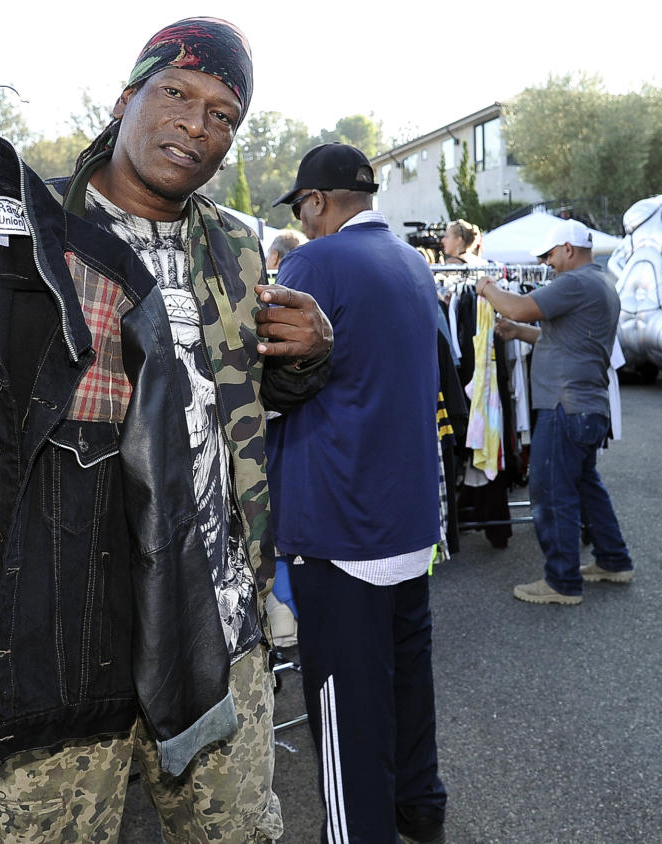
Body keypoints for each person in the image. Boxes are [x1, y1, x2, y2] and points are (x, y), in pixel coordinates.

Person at [0, 18, 333, 842]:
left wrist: (309, 355)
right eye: (177, 94)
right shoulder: (20, 222)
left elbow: (239, 401)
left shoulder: (236, 244)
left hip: (215, 628)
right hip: (62, 629)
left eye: (224, 114)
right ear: (126, 98)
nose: (198, 125)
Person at [266, 143, 447, 844]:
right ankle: (420, 809)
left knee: (346, 709)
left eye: (303, 210)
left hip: (342, 518)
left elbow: (270, 381)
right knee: (407, 680)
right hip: (405, 516)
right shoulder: (412, 262)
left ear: (314, 203)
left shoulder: (315, 261)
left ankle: (357, 833)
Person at [476, 218, 632, 605]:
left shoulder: (574, 282)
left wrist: (486, 286)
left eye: (549, 255)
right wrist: (517, 331)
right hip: (586, 407)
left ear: (567, 248)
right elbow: (563, 338)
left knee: (550, 492)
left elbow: (518, 305)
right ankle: (614, 560)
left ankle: (562, 582)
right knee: (584, 486)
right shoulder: (600, 283)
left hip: (565, 405)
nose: (547, 264)